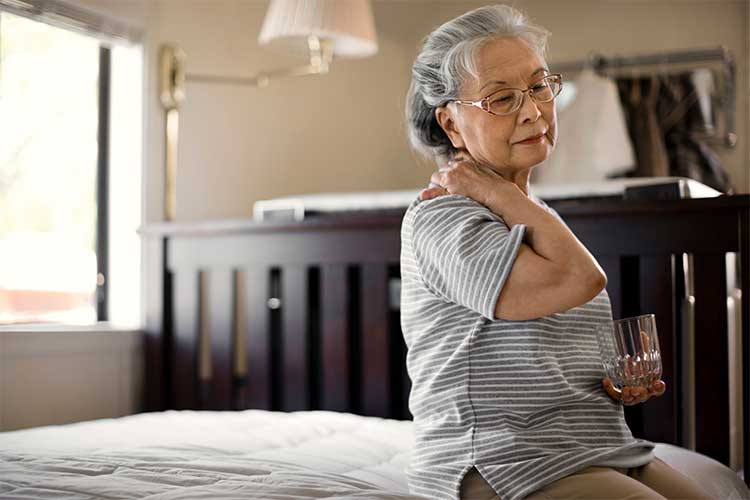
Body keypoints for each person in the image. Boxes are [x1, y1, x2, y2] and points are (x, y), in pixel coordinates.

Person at [399, 4, 709, 500]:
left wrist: (607, 381)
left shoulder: (532, 212)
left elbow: (545, 342)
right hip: (504, 459)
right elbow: (578, 280)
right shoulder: (443, 217)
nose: (532, 110)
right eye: (501, 98)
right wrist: (504, 195)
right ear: (452, 125)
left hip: (591, 446)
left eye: (540, 86)